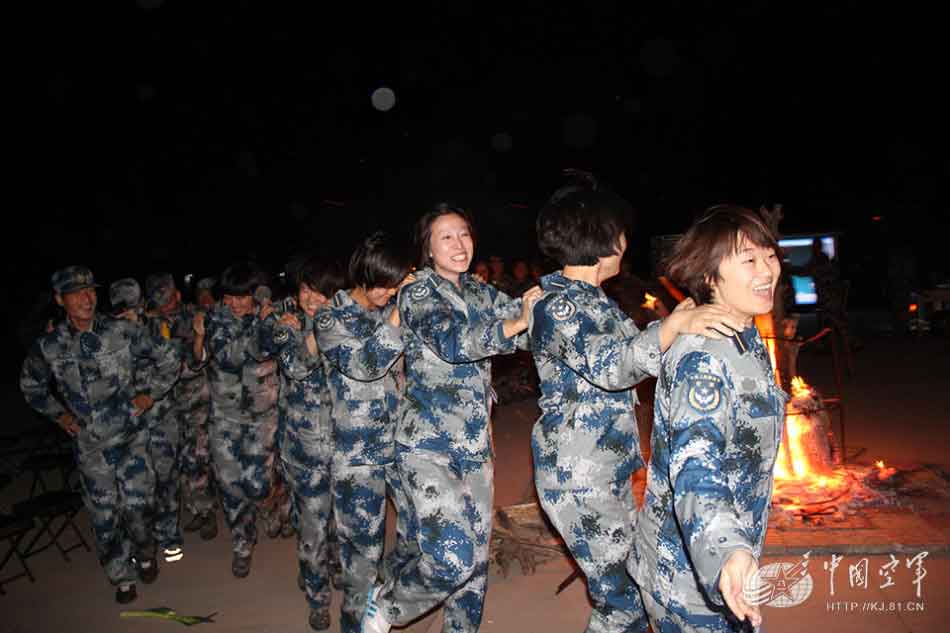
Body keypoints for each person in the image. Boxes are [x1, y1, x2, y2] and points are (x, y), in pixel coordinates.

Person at [529, 180, 746, 633]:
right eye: (619, 230)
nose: (625, 240)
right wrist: (671, 326)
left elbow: (637, 354)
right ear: (599, 236)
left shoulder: (592, 302)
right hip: (578, 475)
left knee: (629, 586)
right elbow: (613, 366)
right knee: (622, 598)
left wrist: (679, 326)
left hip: (603, 468)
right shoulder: (560, 307)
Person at [361, 204, 542, 633]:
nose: (459, 244)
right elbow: (453, 341)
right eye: (446, 237)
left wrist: (546, 304)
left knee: (474, 566)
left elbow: (526, 322)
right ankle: (388, 604)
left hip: (474, 445)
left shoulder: (480, 292)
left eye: (464, 234)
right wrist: (514, 324)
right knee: (452, 558)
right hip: (428, 446)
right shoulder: (418, 294)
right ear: (428, 247)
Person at [629, 205, 787, 632]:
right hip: (688, 575)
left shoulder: (743, 333)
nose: (766, 269)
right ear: (712, 277)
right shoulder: (703, 356)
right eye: (748, 260)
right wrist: (728, 550)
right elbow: (695, 463)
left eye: (769, 255)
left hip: (725, 552)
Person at [20, 266, 180, 603]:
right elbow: (31, 386)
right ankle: (122, 576)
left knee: (139, 508)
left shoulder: (122, 331)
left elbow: (168, 357)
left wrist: (150, 394)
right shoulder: (50, 345)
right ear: (59, 299)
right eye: (76, 293)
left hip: (131, 439)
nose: (86, 298)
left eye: (90, 290)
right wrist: (60, 414)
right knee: (105, 517)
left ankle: (146, 553)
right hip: (91, 448)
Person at [315, 233, 412, 633]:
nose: (391, 293)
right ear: (363, 276)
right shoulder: (330, 318)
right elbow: (365, 364)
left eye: (397, 285)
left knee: (421, 535)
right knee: (362, 554)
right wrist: (396, 315)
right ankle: (355, 623)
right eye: (385, 284)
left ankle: (386, 603)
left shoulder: (391, 305)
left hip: (404, 445)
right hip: (357, 455)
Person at [259, 257, 345, 631]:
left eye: (319, 290)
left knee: (341, 521)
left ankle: (336, 566)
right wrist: (305, 327)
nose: (310, 298)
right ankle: (316, 595)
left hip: (344, 447)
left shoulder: (347, 323)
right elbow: (291, 362)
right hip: (304, 450)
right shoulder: (288, 326)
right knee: (311, 524)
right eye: (305, 289)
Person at [193, 261, 277, 578]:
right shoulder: (215, 320)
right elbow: (232, 355)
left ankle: (273, 502)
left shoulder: (268, 314)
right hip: (225, 419)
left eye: (244, 296)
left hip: (262, 418)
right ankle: (242, 544)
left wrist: (274, 320)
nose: (237, 303)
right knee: (230, 487)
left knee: (257, 486)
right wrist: (265, 325)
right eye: (231, 296)